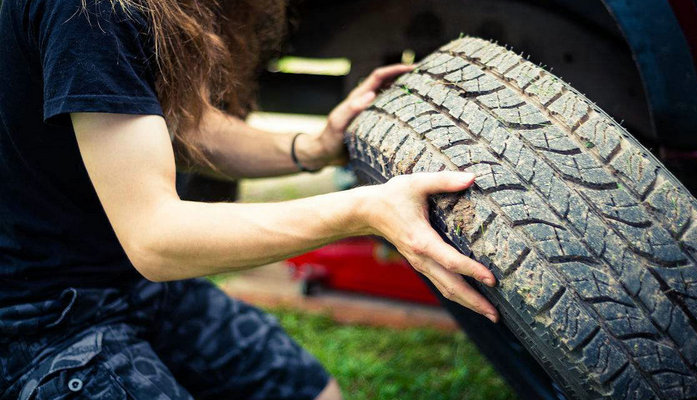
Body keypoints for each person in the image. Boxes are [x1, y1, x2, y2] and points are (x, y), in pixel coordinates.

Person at [0, 0, 499, 398]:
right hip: (40, 314)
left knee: (311, 390)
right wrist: (365, 209)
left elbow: (181, 123)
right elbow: (155, 238)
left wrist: (311, 148)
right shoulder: (89, 11)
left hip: (126, 282)